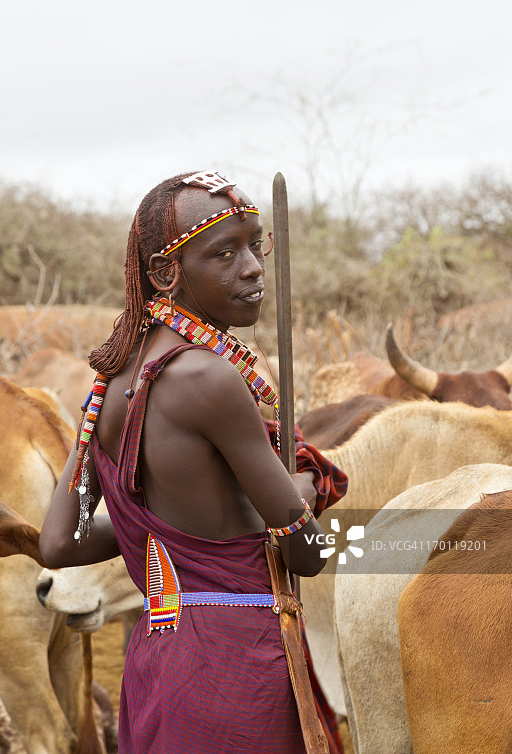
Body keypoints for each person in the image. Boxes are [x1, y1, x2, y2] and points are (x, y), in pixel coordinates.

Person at [40, 171, 348, 754]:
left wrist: (165, 538)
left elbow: (60, 541)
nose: (252, 268)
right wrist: (309, 483)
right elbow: (307, 554)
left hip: (157, 661)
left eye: (255, 245)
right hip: (237, 665)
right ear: (165, 272)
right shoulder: (209, 378)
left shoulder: (111, 380)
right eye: (224, 253)